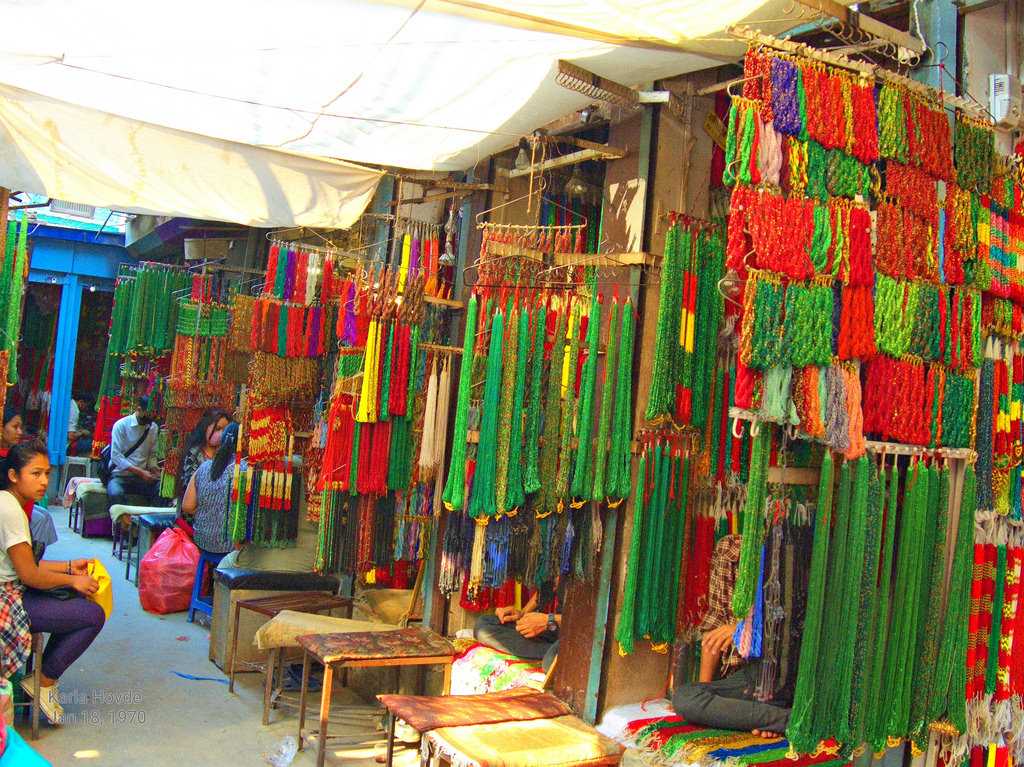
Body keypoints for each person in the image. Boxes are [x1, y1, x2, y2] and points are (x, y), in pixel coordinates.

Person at [0, 441, 105, 724]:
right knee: (92, 615)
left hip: (14, 589)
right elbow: (30, 575)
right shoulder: (10, 510)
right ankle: (44, 682)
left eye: (46, 473)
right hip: (7, 600)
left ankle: (43, 678)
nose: (44, 481)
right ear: (13, 475)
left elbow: (24, 563)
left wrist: (70, 568)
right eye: (35, 474)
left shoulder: (11, 504)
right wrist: (73, 581)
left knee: (76, 604)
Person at [672, 534, 791, 738]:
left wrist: (741, 629)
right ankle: (771, 719)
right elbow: (713, 634)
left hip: (786, 678)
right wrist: (705, 695)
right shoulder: (731, 549)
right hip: (749, 679)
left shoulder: (791, 553)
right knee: (686, 696)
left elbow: (789, 627)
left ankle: (782, 720)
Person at [181, 421, 239, 560]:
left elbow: (187, 506)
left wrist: (210, 511)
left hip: (203, 541)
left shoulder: (205, 466)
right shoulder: (245, 470)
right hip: (231, 547)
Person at [473, 583, 560, 672]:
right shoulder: (563, 571)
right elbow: (550, 587)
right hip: (554, 628)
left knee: (549, 662)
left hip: (570, 638)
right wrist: (522, 614)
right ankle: (551, 651)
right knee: (483, 625)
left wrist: (548, 620)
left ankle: (554, 653)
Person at [106, 395, 160, 508]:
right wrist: (141, 472)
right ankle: (121, 524)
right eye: (148, 413)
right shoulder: (121, 425)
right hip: (119, 476)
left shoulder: (153, 428)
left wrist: (154, 469)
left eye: (153, 414)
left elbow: (152, 454)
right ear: (139, 409)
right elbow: (116, 456)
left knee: (161, 491)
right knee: (115, 493)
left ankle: (149, 523)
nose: (151, 417)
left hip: (141, 479)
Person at [177, 409, 230, 503]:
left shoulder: (227, 456)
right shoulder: (193, 454)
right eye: (218, 429)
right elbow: (188, 485)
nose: (221, 434)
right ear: (205, 428)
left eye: (224, 430)